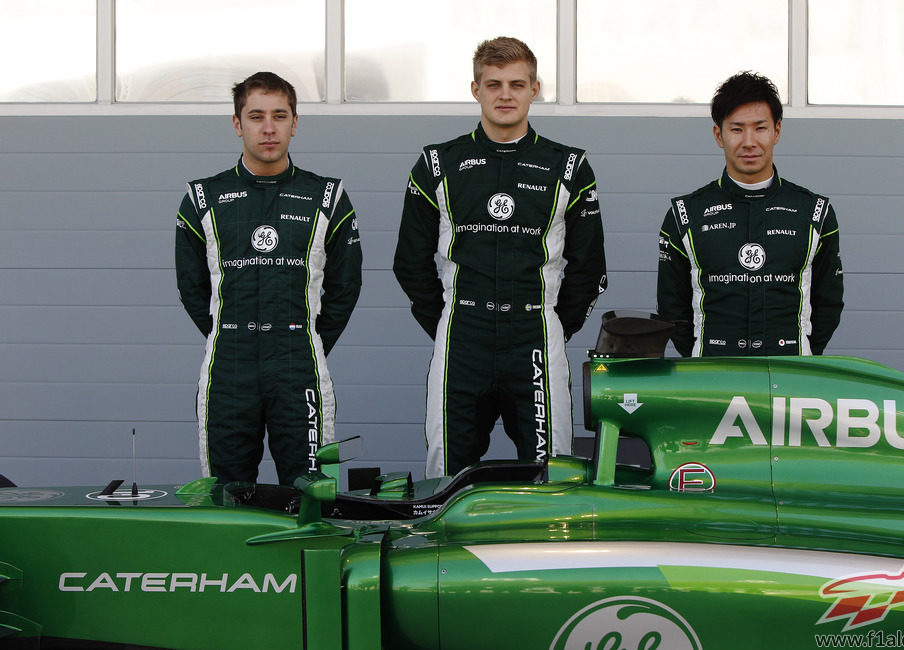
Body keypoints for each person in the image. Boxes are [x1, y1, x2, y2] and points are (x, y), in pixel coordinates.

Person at [394, 37, 607, 478]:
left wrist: (553, 325)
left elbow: (590, 268)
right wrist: (447, 320)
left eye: (516, 84)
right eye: (494, 84)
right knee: (445, 475)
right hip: (461, 337)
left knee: (552, 475)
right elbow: (409, 262)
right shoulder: (437, 164)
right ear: (476, 90)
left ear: (535, 89)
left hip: (534, 334)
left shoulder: (569, 167)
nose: (505, 94)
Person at [175, 71, 362, 486]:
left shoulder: (327, 197)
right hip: (229, 366)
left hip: (298, 365)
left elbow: (345, 288)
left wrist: (306, 340)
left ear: (295, 123)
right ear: (237, 123)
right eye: (256, 116)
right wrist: (232, 336)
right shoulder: (202, 198)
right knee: (227, 496)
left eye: (280, 116)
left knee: (312, 493)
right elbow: (192, 291)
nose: (268, 127)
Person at [656, 71, 843, 357]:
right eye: (737, 129)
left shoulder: (815, 213)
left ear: (777, 131)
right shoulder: (685, 215)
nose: (749, 141)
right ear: (719, 135)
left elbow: (828, 304)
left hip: (792, 374)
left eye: (760, 128)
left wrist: (803, 351)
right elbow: (672, 308)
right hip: (712, 375)